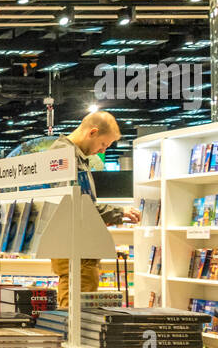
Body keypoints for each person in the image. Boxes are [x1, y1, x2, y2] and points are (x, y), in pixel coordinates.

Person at [9, 111, 140, 307]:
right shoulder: (64, 157)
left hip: (78, 249)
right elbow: (75, 203)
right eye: (103, 144)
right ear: (92, 132)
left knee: (78, 305)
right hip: (74, 250)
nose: (102, 151)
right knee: (76, 308)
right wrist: (118, 213)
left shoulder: (72, 156)